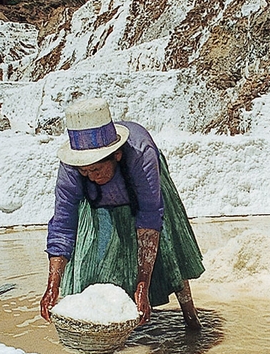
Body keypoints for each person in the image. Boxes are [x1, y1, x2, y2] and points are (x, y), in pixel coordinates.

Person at [40, 97, 204, 329]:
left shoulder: (140, 154)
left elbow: (149, 217)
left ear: (116, 155)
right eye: (84, 171)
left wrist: (142, 286)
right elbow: (63, 224)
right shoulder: (72, 165)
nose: (91, 176)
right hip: (98, 201)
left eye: (96, 169)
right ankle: (105, 328)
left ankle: (191, 318)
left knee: (168, 253)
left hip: (146, 197)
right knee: (93, 258)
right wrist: (52, 286)